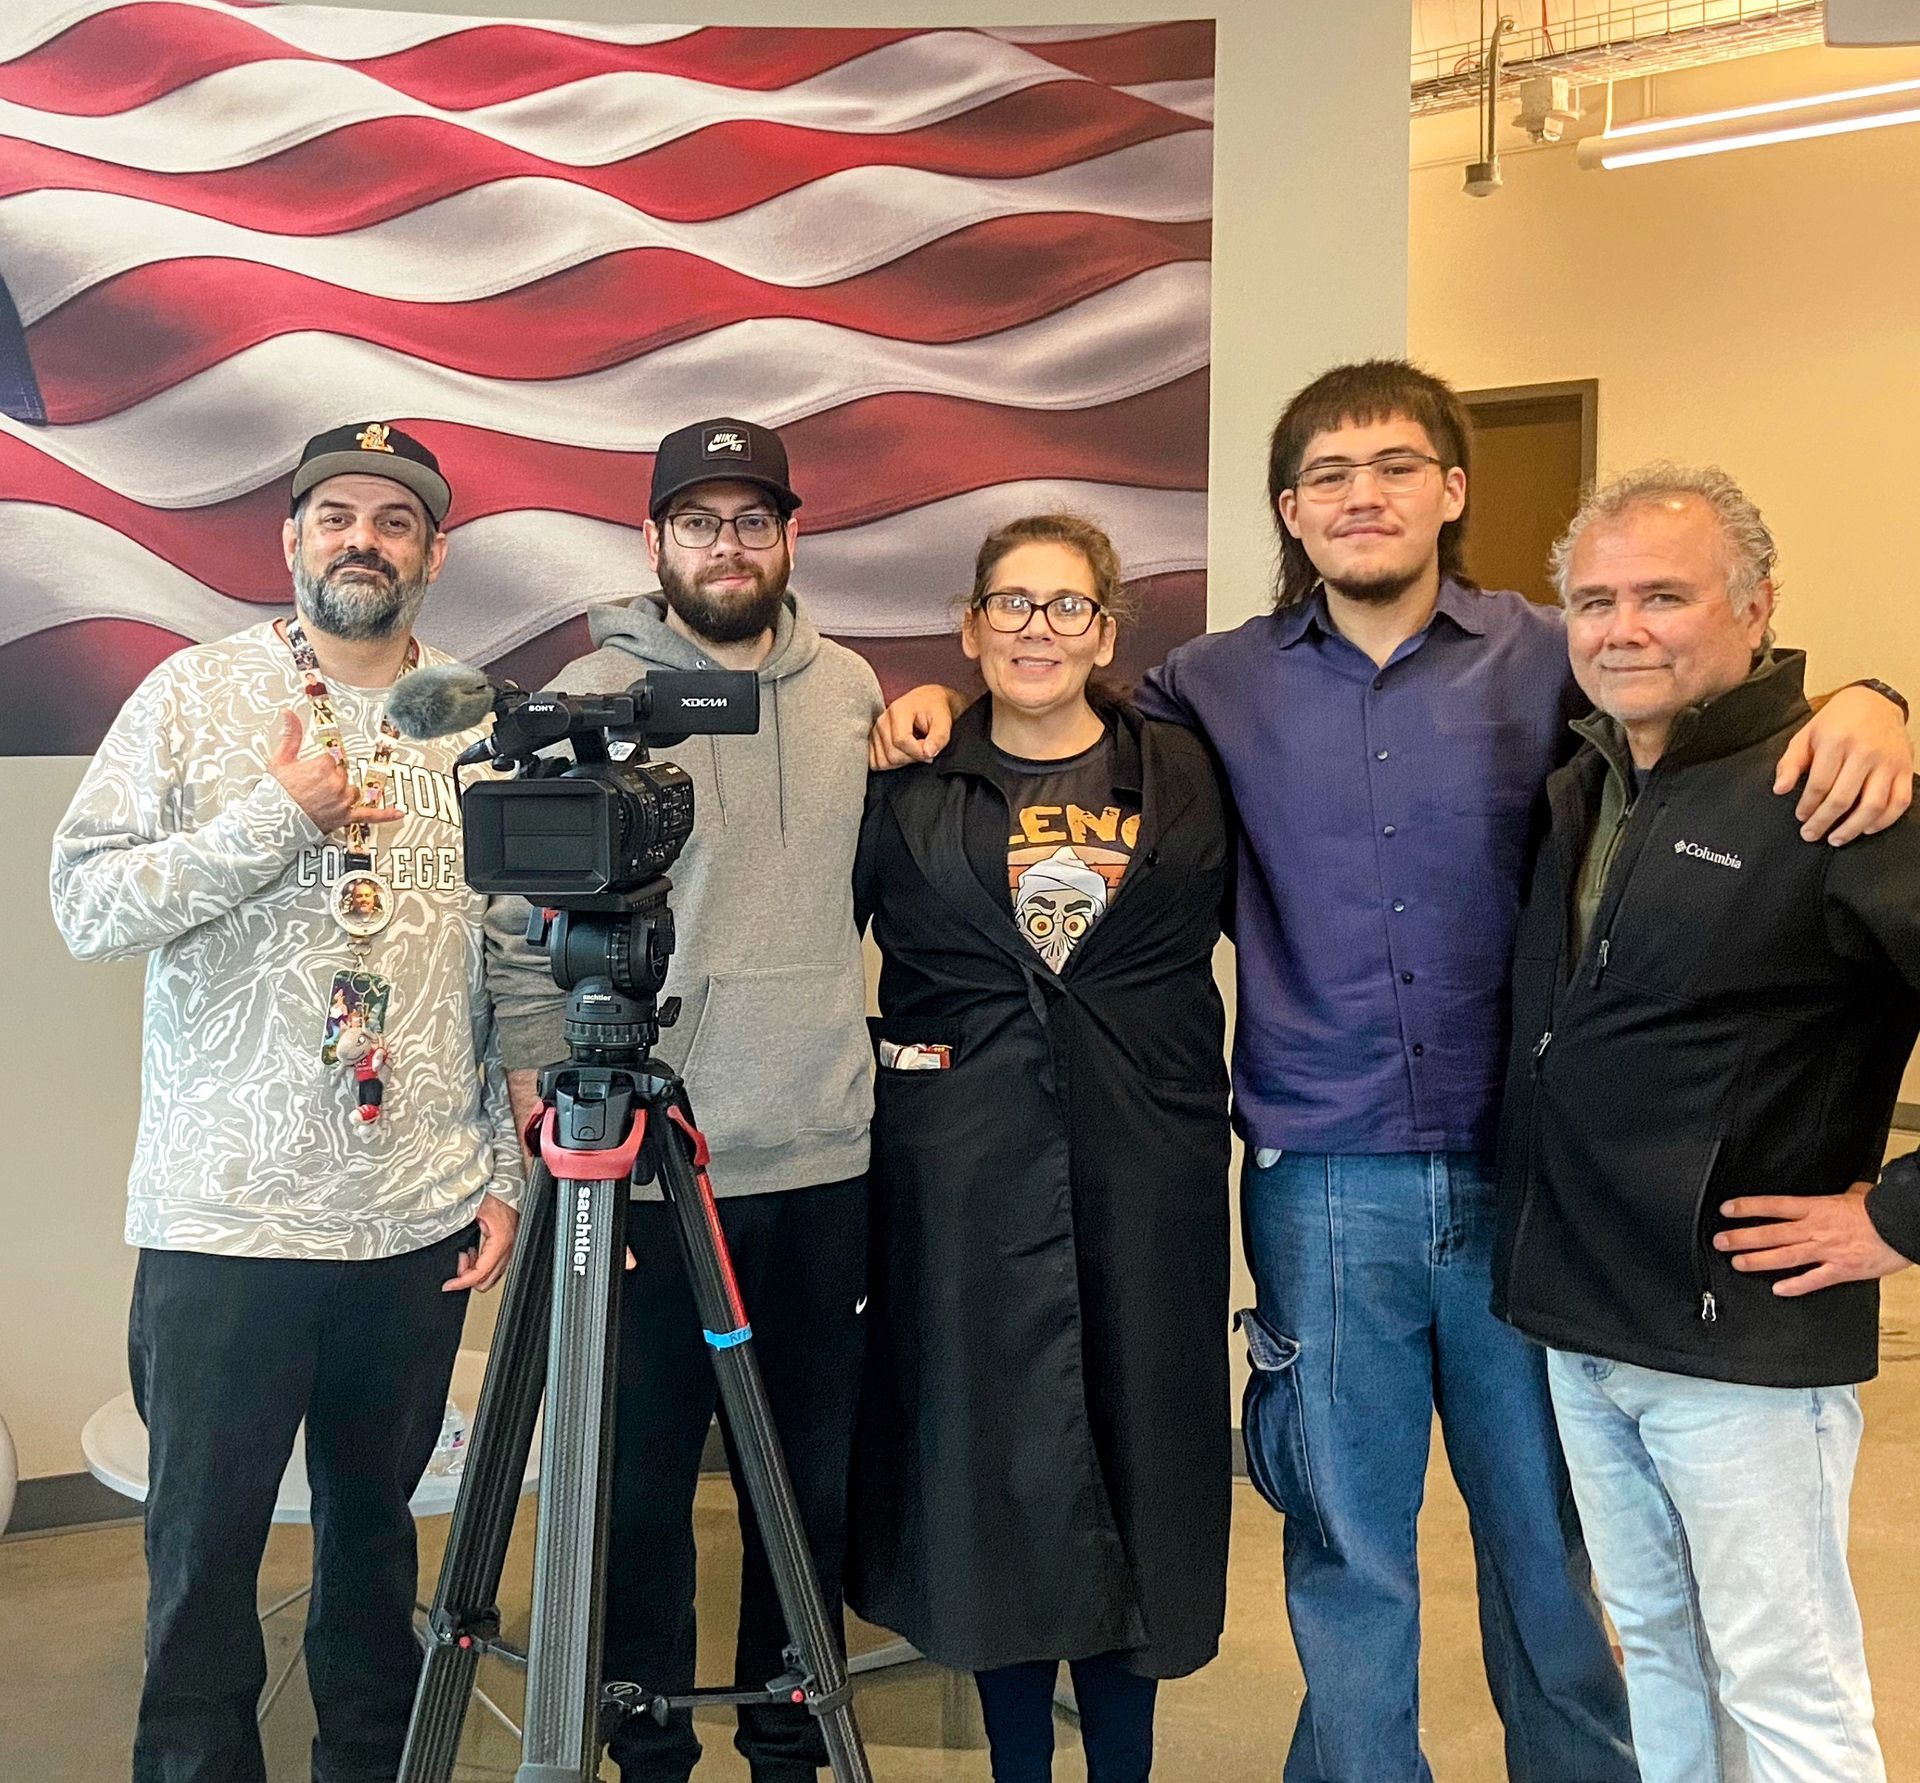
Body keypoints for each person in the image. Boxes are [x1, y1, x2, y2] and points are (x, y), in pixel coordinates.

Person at [868, 360, 1914, 1782]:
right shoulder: (1212, 683)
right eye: (1329, 475)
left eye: (1396, 466)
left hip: (1527, 1184)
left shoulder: (1556, 650)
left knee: (1546, 1549)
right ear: (1290, 511)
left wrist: (1870, 697)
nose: (1363, 496)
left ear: (1452, 490)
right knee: (1347, 1551)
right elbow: (1052, 704)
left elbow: (1705, 698)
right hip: (1322, 1180)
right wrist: (936, 698)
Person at [50, 421, 523, 1783]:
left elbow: (509, 955)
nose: (362, 538)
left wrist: (502, 1168)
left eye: (395, 519)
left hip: (415, 1218)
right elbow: (85, 904)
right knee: (203, 1557)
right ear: (292, 538)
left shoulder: (479, 720)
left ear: (433, 553)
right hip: (226, 1219)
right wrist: (272, 817)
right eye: (336, 515)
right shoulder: (192, 693)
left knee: (376, 1550)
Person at [1492, 464, 1920, 1783]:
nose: (1623, 628)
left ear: (1756, 607)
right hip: (1586, 1323)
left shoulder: (1834, 793)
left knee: (1785, 1686)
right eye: (1595, 600)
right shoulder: (1588, 783)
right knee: (1663, 1653)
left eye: (1664, 596)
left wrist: (1899, 1219)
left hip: (1739, 1341)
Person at [484, 417, 882, 1783]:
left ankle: (789, 1733)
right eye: (699, 521)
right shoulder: (592, 692)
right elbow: (518, 924)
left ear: (790, 535)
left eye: (752, 519)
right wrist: (547, 1103)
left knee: (806, 1480)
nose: (728, 545)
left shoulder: (851, 690)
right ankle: (645, 1737)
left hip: (821, 1147)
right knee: (637, 1476)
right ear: (654, 540)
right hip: (651, 1161)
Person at [848, 513, 1232, 1783]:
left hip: (1146, 1173)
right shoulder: (908, 781)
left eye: (1069, 606)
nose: (1038, 629)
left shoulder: (1187, 774)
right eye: (1011, 603)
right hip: (965, 1178)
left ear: (1106, 634)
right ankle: (1019, 1764)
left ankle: (1122, 1766)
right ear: (970, 628)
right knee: (992, 1476)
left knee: (1140, 1462)